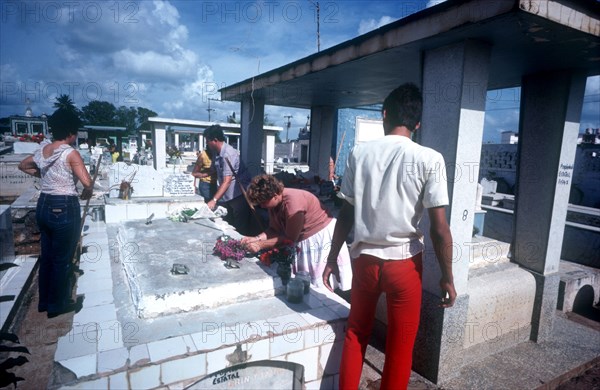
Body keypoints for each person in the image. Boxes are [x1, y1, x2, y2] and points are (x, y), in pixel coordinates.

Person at [322, 83, 457, 389]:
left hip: (365, 260)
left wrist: (332, 257)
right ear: (417, 123)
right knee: (399, 348)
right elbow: (439, 228)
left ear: (384, 115)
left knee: (356, 334)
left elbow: (346, 213)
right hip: (405, 264)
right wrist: (447, 276)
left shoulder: (360, 153)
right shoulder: (430, 158)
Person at [18, 108, 93, 319]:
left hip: (44, 204)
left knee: (48, 257)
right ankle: (57, 304)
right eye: (75, 131)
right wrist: (88, 191)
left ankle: (44, 302)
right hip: (64, 205)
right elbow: (87, 181)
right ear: (70, 132)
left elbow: (22, 165)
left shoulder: (44, 150)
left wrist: (44, 174)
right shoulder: (70, 152)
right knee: (62, 259)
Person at [241, 174, 352, 289]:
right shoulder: (273, 206)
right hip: (303, 237)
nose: (262, 206)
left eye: (263, 202)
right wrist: (255, 238)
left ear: (274, 195)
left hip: (320, 237)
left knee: (320, 283)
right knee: (304, 283)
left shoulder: (293, 203)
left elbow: (289, 238)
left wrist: (260, 245)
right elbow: (274, 229)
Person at [203, 124, 259, 236]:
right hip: (227, 196)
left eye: (207, 141)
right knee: (229, 225)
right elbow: (215, 170)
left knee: (239, 228)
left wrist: (214, 200)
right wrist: (199, 174)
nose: (207, 144)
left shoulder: (228, 154)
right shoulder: (217, 153)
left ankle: (241, 249)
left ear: (215, 140)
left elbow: (227, 180)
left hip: (238, 195)